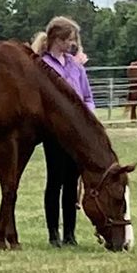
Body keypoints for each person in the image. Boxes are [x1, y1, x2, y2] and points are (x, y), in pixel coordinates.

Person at [30, 16, 95, 248]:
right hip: (55, 133)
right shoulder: (43, 65)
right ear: (57, 39)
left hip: (76, 133)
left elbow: (87, 96)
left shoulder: (75, 66)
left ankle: (70, 233)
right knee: (54, 181)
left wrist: (88, 118)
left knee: (71, 183)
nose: (73, 44)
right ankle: (53, 234)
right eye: (69, 39)